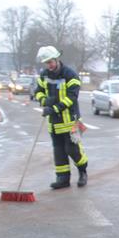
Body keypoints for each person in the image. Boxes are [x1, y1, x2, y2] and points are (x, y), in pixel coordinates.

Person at [34, 46, 88, 189]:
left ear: (57, 59)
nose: (49, 65)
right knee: (58, 151)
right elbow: (38, 92)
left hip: (71, 120)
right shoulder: (44, 75)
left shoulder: (70, 75)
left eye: (51, 61)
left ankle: (83, 171)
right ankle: (63, 179)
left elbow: (72, 97)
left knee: (72, 150)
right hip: (54, 123)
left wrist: (54, 108)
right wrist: (44, 101)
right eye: (46, 63)